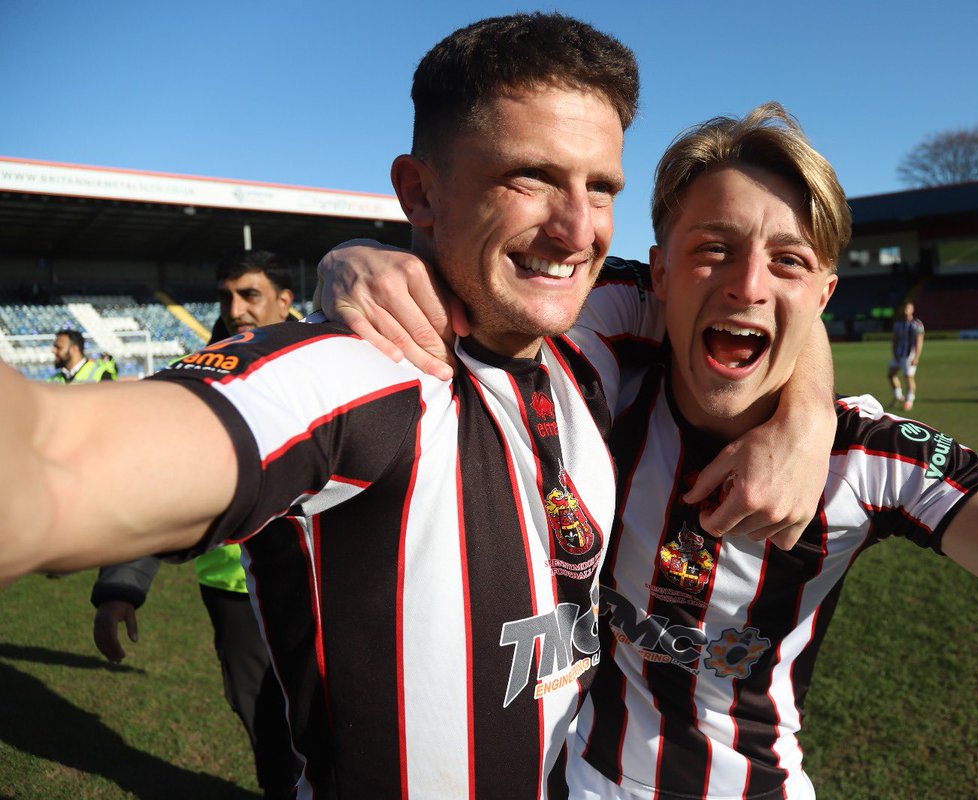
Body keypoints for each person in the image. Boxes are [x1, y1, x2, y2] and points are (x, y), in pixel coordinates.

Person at [0, 15, 835, 799]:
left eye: (601, 187)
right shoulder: (360, 370)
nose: (578, 229)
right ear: (420, 192)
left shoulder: (600, 323)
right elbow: (63, 460)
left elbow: (757, 299)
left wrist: (809, 418)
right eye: (531, 178)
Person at [316, 103, 978, 800]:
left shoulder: (871, 459)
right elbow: (499, 272)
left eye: (787, 261)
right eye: (713, 250)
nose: (746, 284)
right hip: (574, 777)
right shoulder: (614, 348)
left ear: (824, 292)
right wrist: (358, 256)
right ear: (658, 274)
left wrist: (809, 417)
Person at [90, 250, 299, 799]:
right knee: (259, 714)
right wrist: (120, 586)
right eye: (227, 297)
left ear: (285, 300)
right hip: (231, 589)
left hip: (327, 583)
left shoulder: (336, 360)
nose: (235, 310)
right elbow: (156, 479)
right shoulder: (197, 375)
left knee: (342, 719)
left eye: (249, 295)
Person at [887, 300, 923, 410]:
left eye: (907, 308)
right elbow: (895, 340)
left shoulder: (917, 324)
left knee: (908, 377)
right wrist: (894, 353)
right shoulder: (898, 324)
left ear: (912, 310)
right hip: (899, 354)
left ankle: (909, 400)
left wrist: (916, 357)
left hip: (909, 355)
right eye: (904, 308)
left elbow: (919, 341)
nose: (905, 310)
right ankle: (898, 395)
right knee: (891, 374)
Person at [48, 328, 115, 383]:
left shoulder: (102, 375)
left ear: (74, 349)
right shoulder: (53, 379)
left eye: (59, 347)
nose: (53, 351)